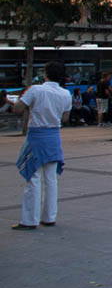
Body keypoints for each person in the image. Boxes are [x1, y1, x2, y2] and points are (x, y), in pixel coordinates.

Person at [12, 61, 71, 230]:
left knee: (33, 178)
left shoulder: (36, 90)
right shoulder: (65, 93)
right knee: (51, 179)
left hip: (37, 136)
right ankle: (49, 217)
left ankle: (29, 220)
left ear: (45, 73)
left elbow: (18, 109)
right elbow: (65, 118)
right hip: (53, 137)